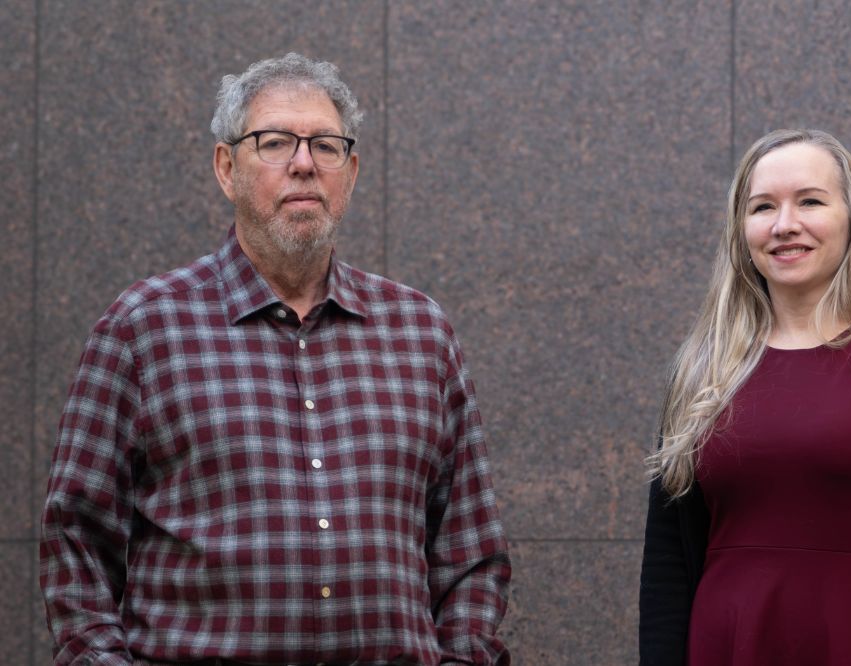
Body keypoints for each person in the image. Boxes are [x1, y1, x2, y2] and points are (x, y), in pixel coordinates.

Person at [40, 53, 510, 666]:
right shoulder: (143, 329)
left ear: (352, 171)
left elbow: (470, 551)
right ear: (226, 167)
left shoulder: (421, 333)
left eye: (327, 145)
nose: (304, 163)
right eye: (275, 142)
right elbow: (75, 544)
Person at [639, 129, 851, 665]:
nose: (784, 225)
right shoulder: (703, 369)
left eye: (809, 201)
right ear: (741, 230)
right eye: (762, 207)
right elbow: (667, 559)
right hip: (727, 646)